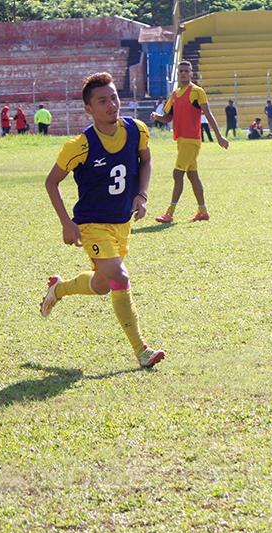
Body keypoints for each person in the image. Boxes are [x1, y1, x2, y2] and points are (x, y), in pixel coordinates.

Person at [39, 71, 164, 368]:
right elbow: (51, 182)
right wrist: (67, 223)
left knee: (103, 284)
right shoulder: (79, 145)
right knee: (120, 277)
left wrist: (141, 195)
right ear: (88, 108)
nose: (112, 105)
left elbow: (145, 160)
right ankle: (142, 351)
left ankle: (59, 288)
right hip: (92, 225)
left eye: (114, 98)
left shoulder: (137, 131)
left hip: (122, 223)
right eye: (103, 101)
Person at [150, 60, 228, 223]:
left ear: (191, 73)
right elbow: (168, 117)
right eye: (181, 71)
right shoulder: (174, 94)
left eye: (186, 71)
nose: (183, 73)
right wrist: (157, 117)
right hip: (181, 140)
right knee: (192, 175)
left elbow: (208, 114)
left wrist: (219, 136)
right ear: (177, 74)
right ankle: (203, 211)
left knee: (177, 173)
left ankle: (169, 213)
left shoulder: (197, 91)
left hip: (192, 140)